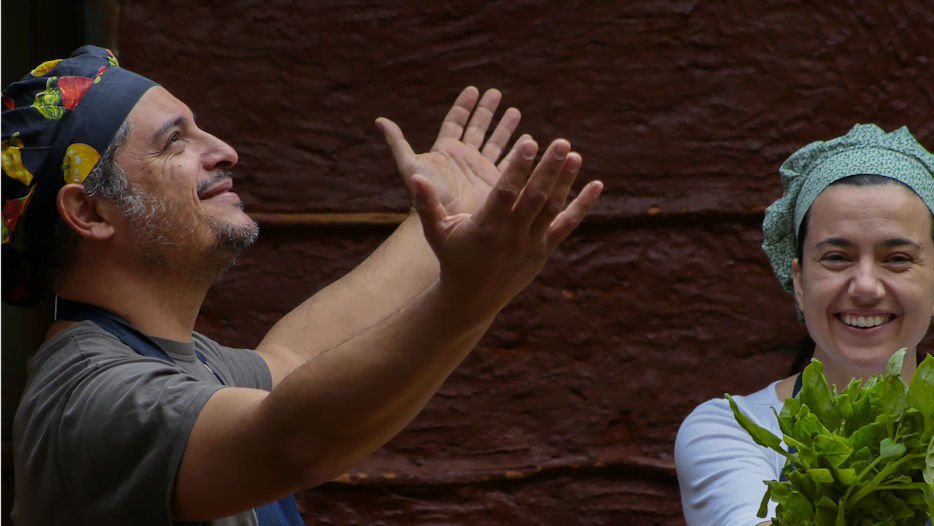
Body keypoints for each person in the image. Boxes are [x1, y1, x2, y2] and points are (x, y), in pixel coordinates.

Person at [2, 45, 602, 525]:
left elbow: (292, 359)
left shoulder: (177, 362)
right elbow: (290, 441)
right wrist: (470, 296)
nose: (224, 150)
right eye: (174, 141)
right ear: (91, 213)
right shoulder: (90, 400)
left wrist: (437, 220)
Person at [674, 124, 934, 526]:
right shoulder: (730, 428)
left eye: (897, 259)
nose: (866, 287)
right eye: (837, 257)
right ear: (800, 282)